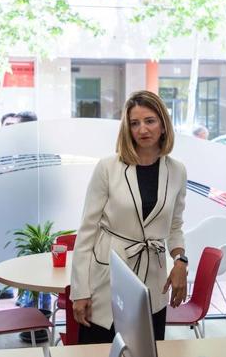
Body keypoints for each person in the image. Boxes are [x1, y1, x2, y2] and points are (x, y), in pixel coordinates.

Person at [70, 90, 188, 344]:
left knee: (145, 349)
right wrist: (79, 291)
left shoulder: (177, 171)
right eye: (134, 123)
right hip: (107, 278)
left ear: (163, 125)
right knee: (98, 349)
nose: (142, 129)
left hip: (153, 282)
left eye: (149, 121)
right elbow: (87, 231)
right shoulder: (108, 168)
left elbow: (175, 225)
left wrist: (180, 261)